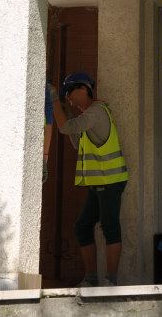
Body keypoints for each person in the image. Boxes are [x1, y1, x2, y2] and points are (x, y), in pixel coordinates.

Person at [53, 72, 127, 287]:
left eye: (70, 91)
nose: (68, 97)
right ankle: (92, 279)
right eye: (65, 94)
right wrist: (66, 111)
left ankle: (110, 281)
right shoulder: (88, 116)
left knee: (109, 226)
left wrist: (54, 100)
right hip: (100, 182)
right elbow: (76, 140)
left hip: (110, 180)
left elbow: (65, 127)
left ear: (84, 89)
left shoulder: (96, 112)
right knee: (83, 226)